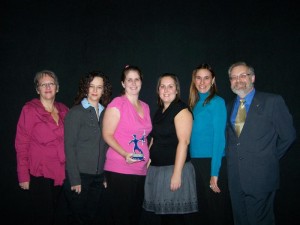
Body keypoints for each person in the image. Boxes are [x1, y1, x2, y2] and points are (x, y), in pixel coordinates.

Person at [226, 61, 296, 225]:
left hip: (261, 178)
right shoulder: (229, 106)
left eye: (243, 75)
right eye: (233, 77)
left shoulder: (272, 101)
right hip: (235, 179)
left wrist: (268, 158)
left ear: (253, 77)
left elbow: (289, 136)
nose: (238, 80)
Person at [15, 70, 69, 225]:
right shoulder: (29, 110)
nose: (47, 87)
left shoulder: (65, 110)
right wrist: (23, 175)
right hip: (40, 174)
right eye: (43, 84)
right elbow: (21, 144)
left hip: (62, 172)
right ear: (37, 89)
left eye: (51, 83)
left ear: (57, 87)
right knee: (43, 217)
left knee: (59, 216)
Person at [143, 73, 198, 225]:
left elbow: (184, 142)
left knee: (174, 218)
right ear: (158, 90)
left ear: (177, 90)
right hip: (158, 170)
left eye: (170, 86)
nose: (166, 90)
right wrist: (148, 163)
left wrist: (177, 174)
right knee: (165, 218)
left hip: (174, 169)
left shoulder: (181, 110)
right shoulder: (159, 111)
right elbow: (154, 139)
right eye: (162, 86)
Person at [102, 65, 152, 225]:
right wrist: (125, 154)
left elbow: (145, 136)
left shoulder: (145, 106)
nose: (133, 83)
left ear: (141, 82)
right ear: (123, 83)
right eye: (129, 79)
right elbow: (107, 134)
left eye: (136, 79)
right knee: (121, 217)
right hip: (120, 169)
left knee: (134, 217)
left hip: (140, 170)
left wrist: (148, 155)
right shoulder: (117, 103)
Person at [64, 71, 112, 225]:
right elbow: (69, 147)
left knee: (92, 218)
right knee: (77, 219)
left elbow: (105, 146)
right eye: (92, 86)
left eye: (99, 87)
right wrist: (75, 179)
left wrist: (104, 175)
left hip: (98, 177)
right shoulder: (75, 112)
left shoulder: (106, 113)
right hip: (80, 176)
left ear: (104, 90)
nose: (95, 91)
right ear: (85, 88)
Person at [188, 63, 233, 225]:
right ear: (194, 80)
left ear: (213, 80)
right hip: (196, 163)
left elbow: (219, 138)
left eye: (206, 78)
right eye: (198, 78)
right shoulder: (195, 104)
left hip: (212, 163)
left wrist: (215, 172)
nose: (202, 82)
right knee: (203, 213)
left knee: (216, 213)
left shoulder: (217, 102)